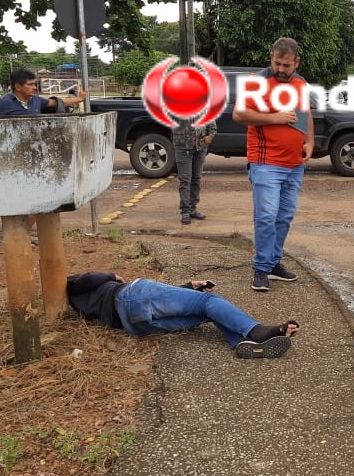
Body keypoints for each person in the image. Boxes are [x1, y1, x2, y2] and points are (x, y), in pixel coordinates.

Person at [232, 37, 314, 292]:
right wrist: (275, 117)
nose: (280, 69)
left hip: (294, 165)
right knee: (266, 217)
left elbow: (306, 114)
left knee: (284, 217)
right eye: (277, 63)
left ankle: (273, 263)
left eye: (286, 65)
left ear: (296, 62)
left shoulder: (301, 84)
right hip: (266, 163)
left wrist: (310, 141)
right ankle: (260, 268)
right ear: (271, 58)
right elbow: (239, 114)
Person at [67, 271, 300, 358]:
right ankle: (257, 331)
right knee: (209, 301)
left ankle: (243, 343)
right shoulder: (72, 285)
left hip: (133, 324)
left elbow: (160, 299)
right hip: (131, 294)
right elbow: (83, 281)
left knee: (209, 312)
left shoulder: (83, 306)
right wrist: (111, 275)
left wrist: (189, 286)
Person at [0, 68, 87, 117]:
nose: (35, 88)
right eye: (30, 84)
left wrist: (80, 99)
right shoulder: (3, 102)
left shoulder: (36, 100)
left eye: (34, 84)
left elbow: (59, 102)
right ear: (18, 87)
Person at [173, 118, 217, 225]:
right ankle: (185, 211)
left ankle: (192, 208)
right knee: (185, 180)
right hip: (183, 147)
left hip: (200, 147)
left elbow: (212, 122)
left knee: (196, 179)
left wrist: (210, 135)